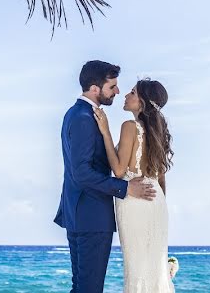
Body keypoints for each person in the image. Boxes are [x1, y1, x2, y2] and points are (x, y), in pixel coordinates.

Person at [55, 61, 157, 293]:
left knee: (82, 287)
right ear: (94, 89)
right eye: (112, 87)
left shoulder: (76, 113)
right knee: (89, 289)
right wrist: (125, 188)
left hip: (80, 212)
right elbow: (81, 172)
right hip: (91, 215)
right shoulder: (83, 118)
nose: (117, 91)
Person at [93, 78, 175, 293]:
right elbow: (161, 179)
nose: (126, 95)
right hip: (156, 201)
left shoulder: (129, 127)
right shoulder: (159, 132)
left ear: (143, 102)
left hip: (135, 201)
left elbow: (119, 171)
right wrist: (157, 206)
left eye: (132, 92)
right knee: (155, 267)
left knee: (137, 268)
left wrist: (105, 132)